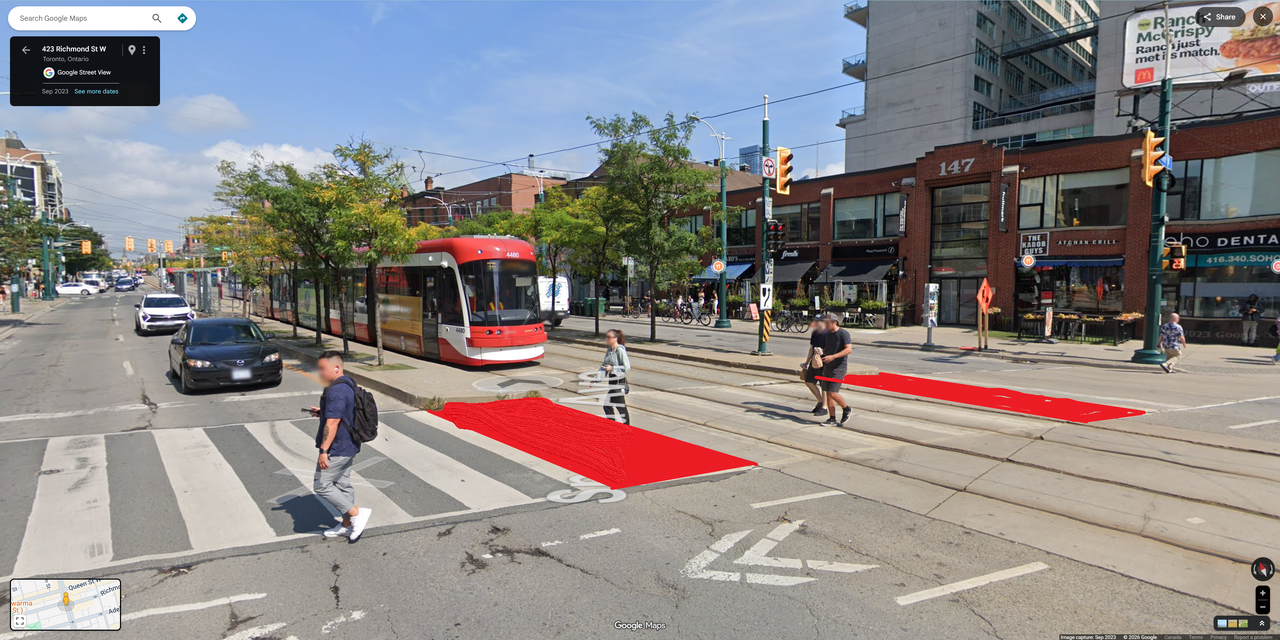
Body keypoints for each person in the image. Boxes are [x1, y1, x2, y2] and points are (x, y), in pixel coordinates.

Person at [307, 351, 373, 541]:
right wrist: (324, 412)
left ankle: (356, 513)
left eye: (323, 369)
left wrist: (324, 451)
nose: (320, 373)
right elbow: (343, 412)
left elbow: (333, 422)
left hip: (337, 446)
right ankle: (346, 525)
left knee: (322, 485)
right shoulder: (347, 383)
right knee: (343, 485)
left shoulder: (336, 390)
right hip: (350, 443)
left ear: (336, 368)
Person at [820, 313, 853, 425]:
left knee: (832, 393)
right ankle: (832, 418)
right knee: (828, 393)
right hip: (828, 366)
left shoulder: (843, 333)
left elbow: (848, 349)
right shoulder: (828, 334)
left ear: (834, 322)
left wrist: (833, 356)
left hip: (839, 367)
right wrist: (822, 353)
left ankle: (846, 409)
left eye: (827, 323)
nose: (825, 325)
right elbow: (828, 348)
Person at [600, 329, 631, 425]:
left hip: (618, 382)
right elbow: (604, 366)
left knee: (609, 406)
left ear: (615, 338)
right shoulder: (609, 350)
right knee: (619, 408)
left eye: (609, 337)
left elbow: (627, 367)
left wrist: (612, 368)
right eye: (606, 337)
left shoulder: (620, 350)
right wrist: (596, 379)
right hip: (613, 382)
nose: (607, 339)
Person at [803, 316, 827, 416]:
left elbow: (833, 349)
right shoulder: (815, 332)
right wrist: (806, 362)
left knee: (823, 385)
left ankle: (824, 407)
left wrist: (823, 352)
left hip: (824, 362)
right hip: (814, 361)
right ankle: (820, 401)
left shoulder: (828, 333)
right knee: (808, 381)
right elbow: (811, 348)